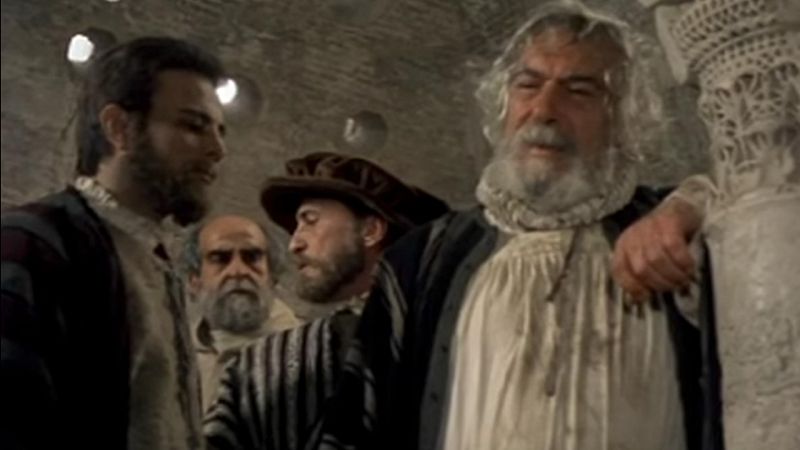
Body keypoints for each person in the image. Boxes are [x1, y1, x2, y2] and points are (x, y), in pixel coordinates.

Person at [310, 4, 717, 450]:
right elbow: (354, 428)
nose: (544, 109)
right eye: (527, 85)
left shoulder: (673, 233)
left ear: (623, 118)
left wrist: (689, 207)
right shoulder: (423, 263)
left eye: (579, 91)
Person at [1, 37, 227, 449]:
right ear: (119, 128)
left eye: (219, 130)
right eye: (194, 126)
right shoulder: (32, 244)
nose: (218, 149)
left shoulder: (157, 261)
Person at [203, 151, 449, 450]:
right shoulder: (262, 366)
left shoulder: (444, 348)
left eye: (310, 221)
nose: (294, 244)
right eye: (295, 227)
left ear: (371, 231)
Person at [182, 214, 301, 411]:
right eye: (220, 259)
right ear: (195, 282)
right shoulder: (177, 361)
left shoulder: (308, 360)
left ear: (273, 278)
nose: (238, 271)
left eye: (252, 257)